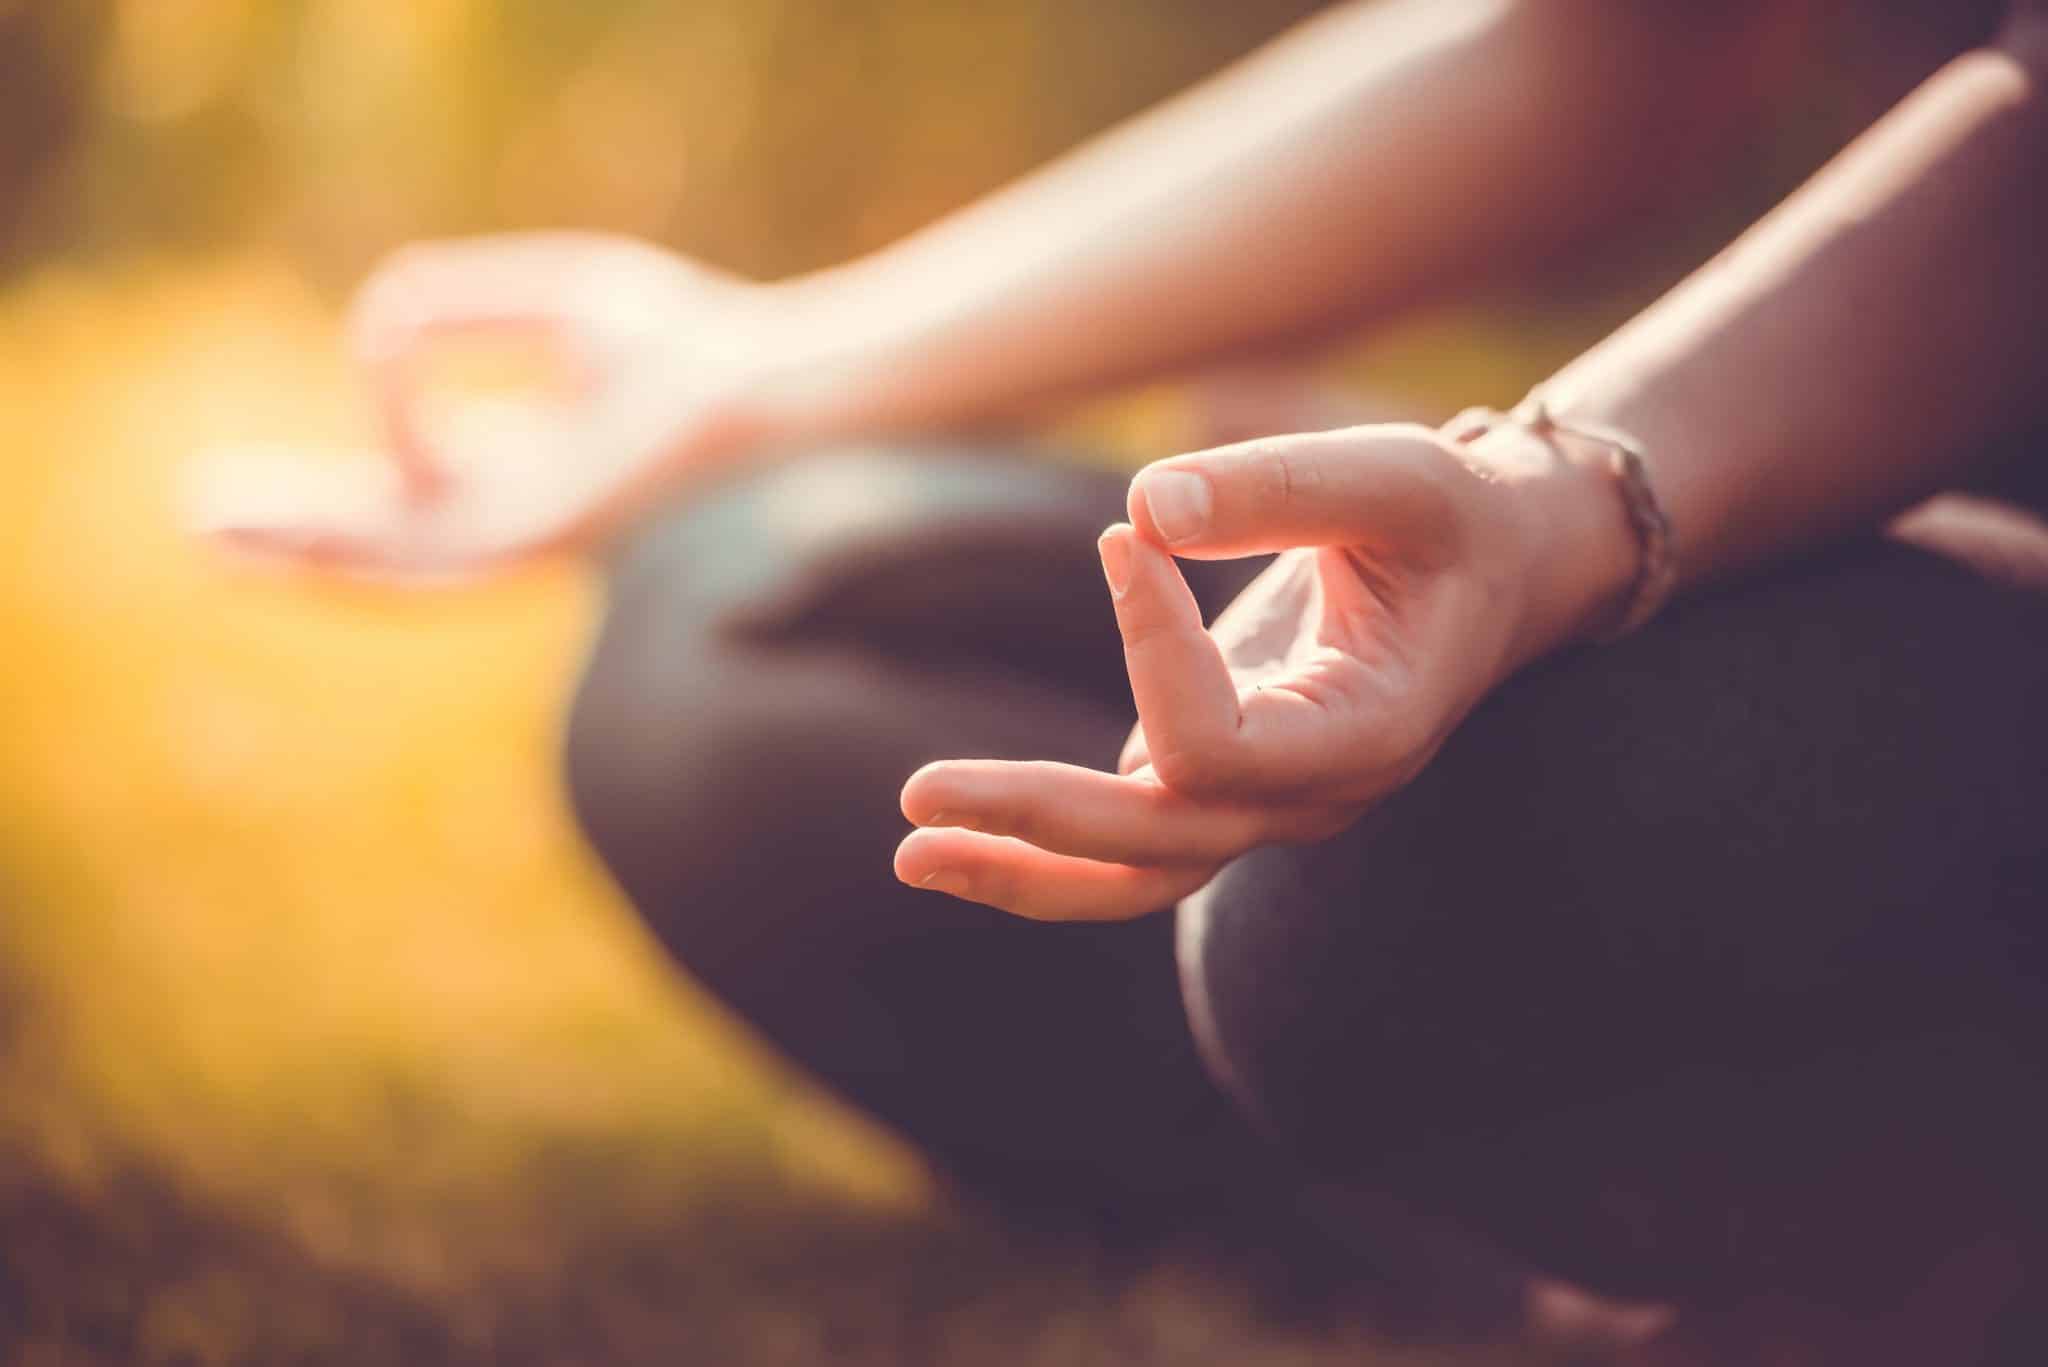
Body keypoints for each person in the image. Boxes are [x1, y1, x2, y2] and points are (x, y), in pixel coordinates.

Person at [195, 0, 2048, 1357]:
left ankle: (1798, 1228)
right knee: (726, 626)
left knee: (1330, 925)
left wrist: (1570, 501)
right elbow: (1592, 46)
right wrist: (751, 369)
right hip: (1758, 486)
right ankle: (1603, 1228)